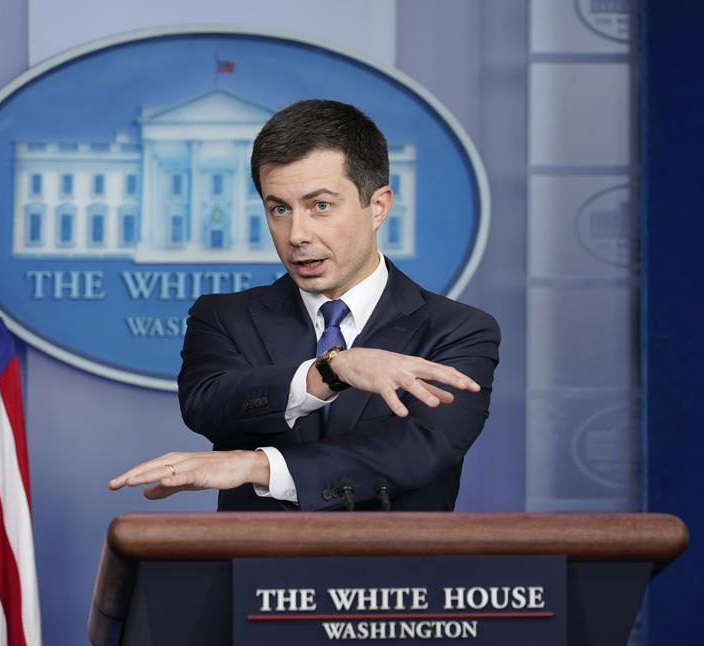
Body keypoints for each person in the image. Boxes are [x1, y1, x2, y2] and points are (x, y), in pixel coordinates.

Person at [109, 99, 500, 511]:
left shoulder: (458, 330)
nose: (296, 234)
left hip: (393, 572)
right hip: (251, 571)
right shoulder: (224, 317)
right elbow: (209, 407)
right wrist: (329, 371)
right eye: (279, 208)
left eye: (321, 206)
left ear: (378, 206)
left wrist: (256, 466)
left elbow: (417, 453)